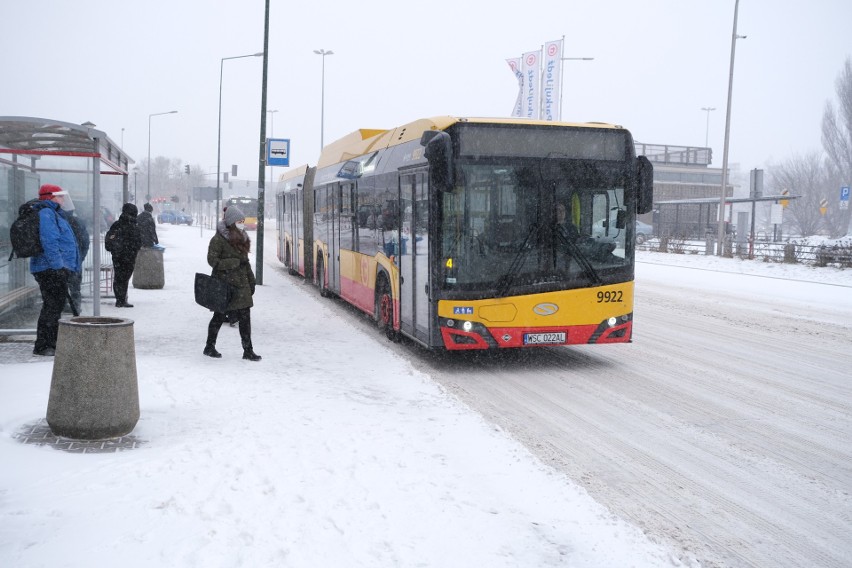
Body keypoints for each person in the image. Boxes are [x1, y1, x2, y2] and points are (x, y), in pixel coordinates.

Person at [203, 206, 260, 361]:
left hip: (241, 286)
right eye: (239, 221)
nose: (242, 223)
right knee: (219, 317)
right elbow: (212, 260)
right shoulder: (218, 239)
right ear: (231, 222)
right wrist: (233, 262)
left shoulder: (241, 237)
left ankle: (248, 350)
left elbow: (245, 263)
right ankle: (209, 347)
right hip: (225, 285)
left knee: (245, 318)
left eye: (243, 221)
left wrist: (251, 280)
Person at [29, 184, 81, 356]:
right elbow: (49, 242)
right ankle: (44, 345)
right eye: (60, 196)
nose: (63, 199)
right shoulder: (47, 213)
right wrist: (58, 266)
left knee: (55, 305)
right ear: (50, 197)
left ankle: (51, 342)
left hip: (53, 268)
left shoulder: (53, 213)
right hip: (49, 269)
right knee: (52, 306)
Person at [105, 203, 142, 307]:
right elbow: (138, 241)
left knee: (119, 277)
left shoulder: (117, 224)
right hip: (129, 256)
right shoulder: (133, 226)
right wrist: (133, 250)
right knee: (124, 278)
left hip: (118, 256)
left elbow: (109, 239)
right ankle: (121, 299)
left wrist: (115, 250)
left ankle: (120, 299)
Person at [64, 203, 90, 315]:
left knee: (60, 287)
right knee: (75, 288)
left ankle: (63, 306)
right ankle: (76, 307)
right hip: (75, 261)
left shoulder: (58, 222)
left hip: (61, 262)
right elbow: (85, 242)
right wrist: (80, 257)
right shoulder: (78, 223)